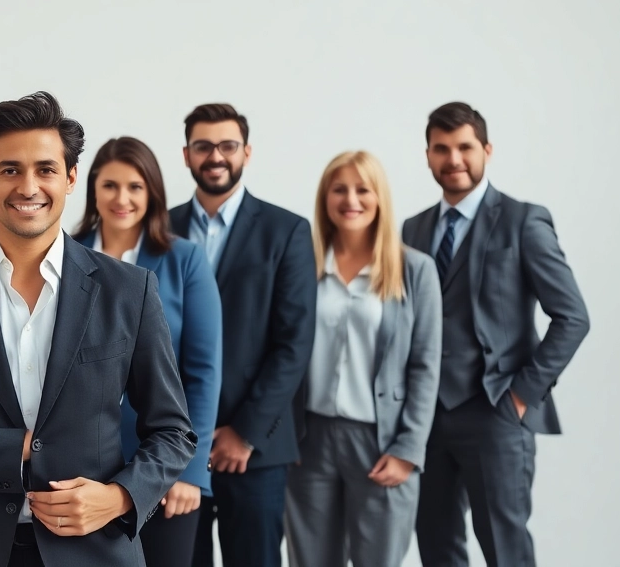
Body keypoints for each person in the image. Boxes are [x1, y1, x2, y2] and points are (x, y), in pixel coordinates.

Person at [0, 91, 197, 567]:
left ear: (71, 178)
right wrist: (21, 446)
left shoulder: (128, 290)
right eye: (10, 169)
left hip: (95, 549)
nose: (28, 186)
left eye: (46, 169)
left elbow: (173, 432)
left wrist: (118, 498)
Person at [404, 102, 590, 567]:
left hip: (496, 412)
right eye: (441, 149)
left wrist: (522, 396)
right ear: (427, 156)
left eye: (465, 147)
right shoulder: (412, 228)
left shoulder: (523, 220)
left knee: (504, 548)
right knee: (436, 545)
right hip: (425, 418)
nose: (454, 160)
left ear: (486, 149)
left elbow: (572, 316)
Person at [169, 103, 318, 567]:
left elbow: (294, 343)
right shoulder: (159, 229)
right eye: (203, 146)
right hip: (174, 445)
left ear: (246, 153)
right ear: (187, 155)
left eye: (227, 145)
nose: (216, 155)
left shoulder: (287, 230)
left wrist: (245, 433)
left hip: (256, 448)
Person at [285, 151, 442, 567]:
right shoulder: (305, 264)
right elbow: (284, 349)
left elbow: (425, 366)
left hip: (381, 442)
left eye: (362, 189)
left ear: (380, 198)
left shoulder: (415, 270)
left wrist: (409, 447)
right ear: (325, 198)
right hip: (310, 440)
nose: (350, 199)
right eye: (339, 189)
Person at [72, 136, 223, 567]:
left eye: (135, 187)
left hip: (162, 467)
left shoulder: (184, 260)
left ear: (152, 192)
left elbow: (204, 371)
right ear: (91, 189)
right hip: (79, 463)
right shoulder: (64, 255)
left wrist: (189, 471)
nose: (122, 199)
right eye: (110, 186)